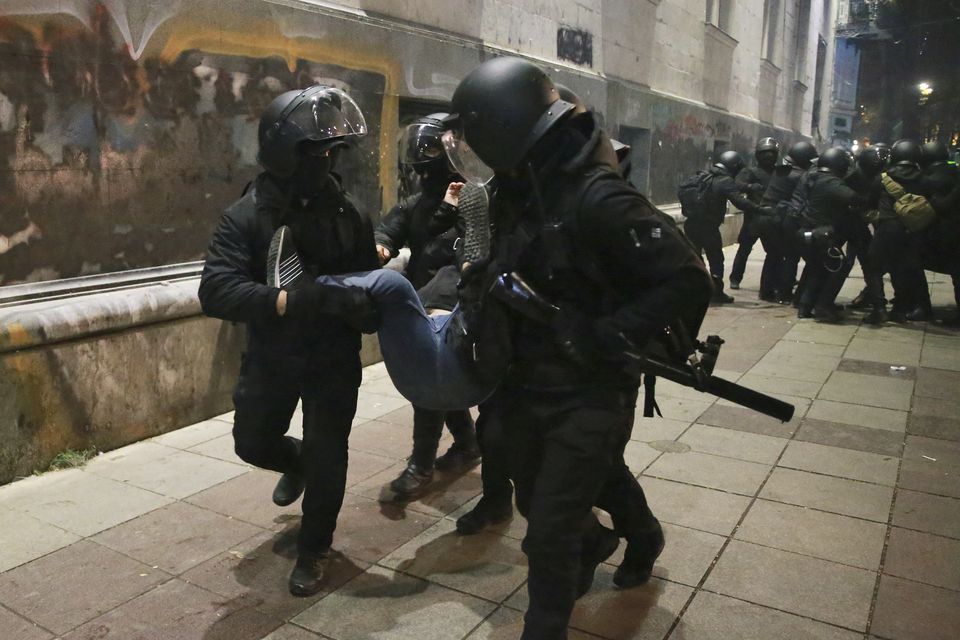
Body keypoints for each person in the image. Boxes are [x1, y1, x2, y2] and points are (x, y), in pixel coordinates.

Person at [443, 57, 712, 639]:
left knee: (549, 531)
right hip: (526, 378)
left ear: (512, 134)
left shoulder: (598, 197)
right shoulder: (523, 187)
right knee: (540, 500)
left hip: (591, 386)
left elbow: (688, 278)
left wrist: (611, 332)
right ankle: (634, 535)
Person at [197, 85, 381, 597]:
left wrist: (364, 309)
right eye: (315, 152)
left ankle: (315, 546)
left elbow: (367, 284)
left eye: (331, 153)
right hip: (274, 354)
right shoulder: (247, 215)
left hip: (332, 358)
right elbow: (217, 290)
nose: (325, 163)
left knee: (329, 454)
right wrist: (288, 301)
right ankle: (295, 463)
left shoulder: (349, 214)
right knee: (252, 441)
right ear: (285, 153)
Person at [374, 113, 480, 498]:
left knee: (429, 383)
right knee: (439, 380)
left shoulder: (474, 197)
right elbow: (391, 227)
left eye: (431, 148)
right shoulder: (418, 203)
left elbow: (472, 251)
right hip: (424, 301)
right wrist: (380, 245)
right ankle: (468, 445)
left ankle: (421, 465)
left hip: (454, 303)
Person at [680, 150, 763, 304]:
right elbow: (739, 201)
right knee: (716, 260)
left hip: (691, 223)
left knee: (695, 258)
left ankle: (694, 290)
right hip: (709, 227)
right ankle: (716, 293)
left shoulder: (702, 176)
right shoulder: (725, 180)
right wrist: (760, 209)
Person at [792, 148, 865, 322]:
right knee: (833, 268)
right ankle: (820, 306)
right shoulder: (832, 182)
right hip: (822, 233)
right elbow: (854, 198)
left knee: (815, 270)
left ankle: (804, 306)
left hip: (809, 230)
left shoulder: (813, 176)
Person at [755, 141, 819, 303]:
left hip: (764, 217)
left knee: (773, 255)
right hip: (778, 219)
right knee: (791, 256)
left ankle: (766, 291)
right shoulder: (798, 175)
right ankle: (784, 293)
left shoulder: (782, 170)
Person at [844, 144, 888, 324]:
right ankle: (878, 304)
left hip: (852, 224)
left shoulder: (856, 176)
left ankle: (822, 301)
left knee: (849, 264)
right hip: (861, 225)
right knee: (869, 267)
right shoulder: (879, 179)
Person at [730, 137, 779, 291]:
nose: (769, 156)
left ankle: (771, 283)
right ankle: (735, 278)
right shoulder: (750, 171)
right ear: (758, 155)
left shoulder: (778, 172)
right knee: (744, 250)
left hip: (771, 217)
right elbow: (736, 184)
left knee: (774, 253)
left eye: (771, 153)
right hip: (753, 218)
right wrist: (750, 187)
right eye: (765, 153)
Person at [919, 140, 960, 325]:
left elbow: (938, 206)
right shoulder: (954, 172)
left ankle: (921, 306)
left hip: (943, 234)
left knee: (912, 262)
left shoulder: (929, 179)